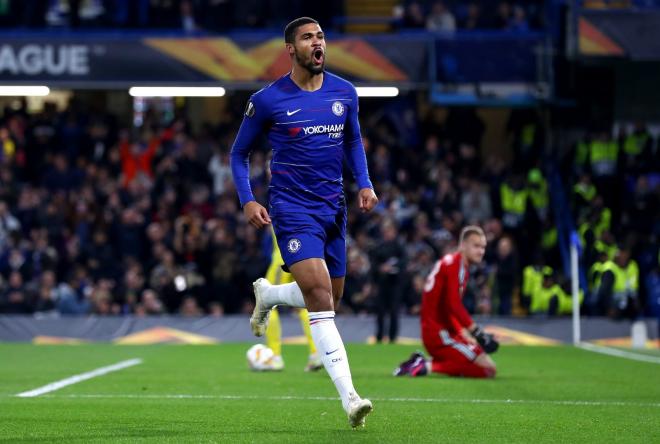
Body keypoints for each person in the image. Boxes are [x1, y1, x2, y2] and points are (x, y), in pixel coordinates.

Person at [230, 17, 379, 428]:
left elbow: (352, 140)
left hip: (334, 208)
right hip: (292, 209)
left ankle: (272, 296)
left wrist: (364, 183)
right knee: (321, 303)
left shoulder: (345, 93)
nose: (318, 43)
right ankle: (350, 398)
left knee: (331, 296)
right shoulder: (268, 100)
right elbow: (238, 154)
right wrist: (247, 200)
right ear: (291, 49)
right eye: (308, 37)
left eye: (321, 37)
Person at [394, 226, 499, 378]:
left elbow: (446, 306)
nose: (481, 251)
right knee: (487, 370)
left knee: (487, 367)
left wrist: (463, 333)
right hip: (439, 333)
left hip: (443, 330)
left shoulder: (455, 264)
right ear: (463, 245)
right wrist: (477, 332)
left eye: (483, 247)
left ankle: (422, 363)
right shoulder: (454, 265)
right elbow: (453, 305)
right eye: (476, 246)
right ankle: (426, 366)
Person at [256, 228, 323, 372]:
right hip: (303, 259)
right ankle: (316, 353)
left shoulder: (279, 205)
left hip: (283, 261)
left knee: (266, 303)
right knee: (305, 305)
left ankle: (274, 356)